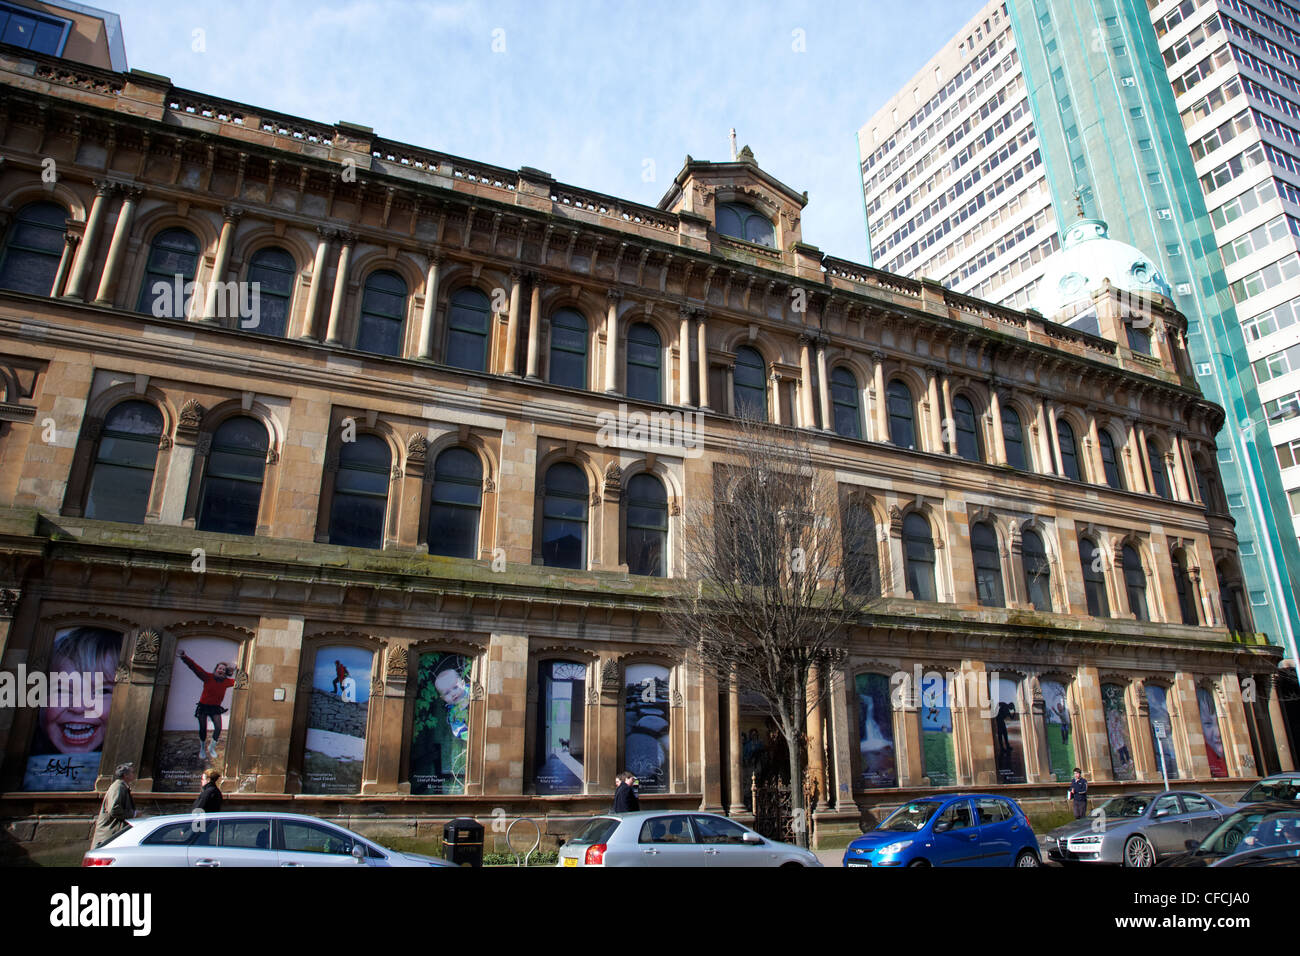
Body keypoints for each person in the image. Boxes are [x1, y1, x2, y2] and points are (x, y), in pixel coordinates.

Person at [178, 650, 235, 762]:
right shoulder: (207, 677)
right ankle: (202, 749)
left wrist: (237, 669)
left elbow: (239, 680)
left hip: (215, 708)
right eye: (219, 668)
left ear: (225, 672)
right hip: (203, 707)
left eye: (223, 669)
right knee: (203, 728)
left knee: (218, 728)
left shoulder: (227, 682)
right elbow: (195, 668)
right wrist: (185, 658)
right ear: (216, 669)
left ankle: (211, 747)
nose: (221, 670)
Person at [91, 763, 136, 849]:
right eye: (132, 772)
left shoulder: (122, 786)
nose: (133, 774)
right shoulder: (118, 787)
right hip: (108, 835)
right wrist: (133, 814)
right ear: (125, 775)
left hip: (112, 833)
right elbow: (114, 809)